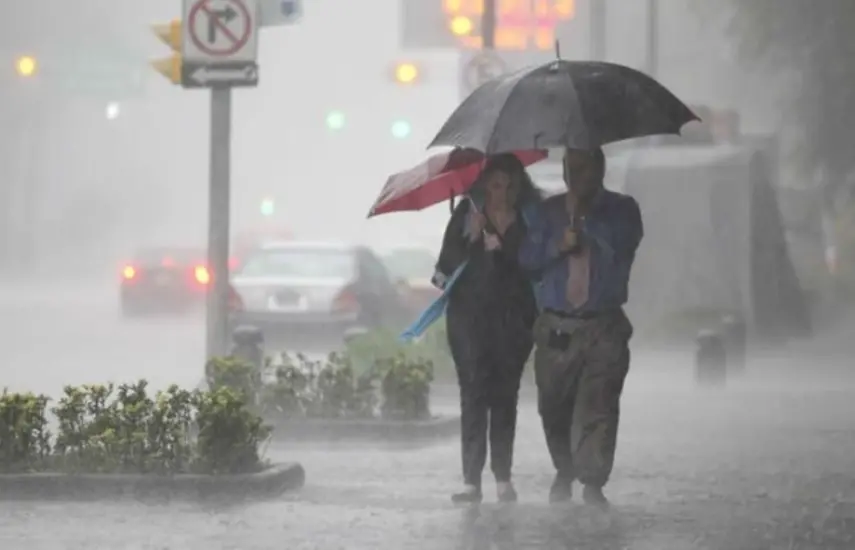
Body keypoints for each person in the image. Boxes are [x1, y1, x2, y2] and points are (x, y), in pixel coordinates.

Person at [518, 147, 643, 510]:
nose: (578, 175)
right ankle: (565, 468)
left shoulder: (622, 209)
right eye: (571, 168)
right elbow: (528, 260)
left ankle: (592, 480)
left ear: (600, 170)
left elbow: (623, 247)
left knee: (598, 406)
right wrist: (560, 244)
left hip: (603, 324)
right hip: (557, 325)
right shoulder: (548, 212)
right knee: (554, 405)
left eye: (585, 167)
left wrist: (586, 225)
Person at [434, 153, 540, 504]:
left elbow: (537, 266)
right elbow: (442, 271)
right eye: (496, 185)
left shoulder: (528, 221)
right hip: (469, 320)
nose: (503, 193)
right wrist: (471, 239)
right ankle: (470, 481)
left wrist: (505, 248)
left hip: (512, 322)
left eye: (511, 186)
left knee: (505, 396)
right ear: (485, 185)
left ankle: (503, 478)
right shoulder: (466, 216)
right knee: (474, 393)